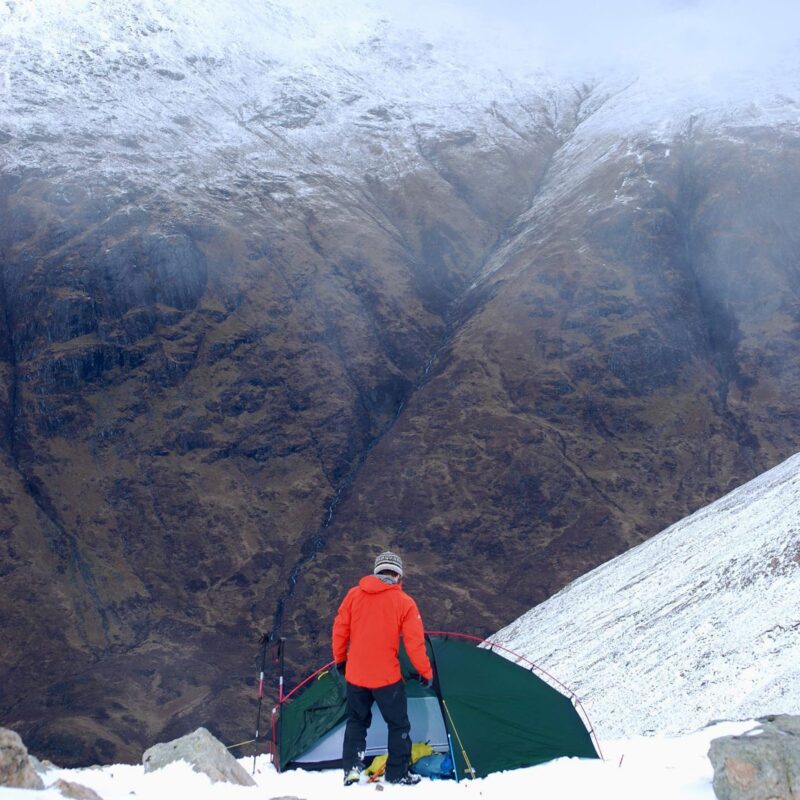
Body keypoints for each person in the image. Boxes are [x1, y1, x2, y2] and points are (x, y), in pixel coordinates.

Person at [332, 550, 434, 786]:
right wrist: (426, 673)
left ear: (376, 572)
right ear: (399, 576)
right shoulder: (404, 603)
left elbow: (340, 630)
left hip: (356, 675)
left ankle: (352, 769)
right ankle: (398, 773)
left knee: (356, 721)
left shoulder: (353, 596)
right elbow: (414, 644)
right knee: (398, 725)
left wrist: (340, 660)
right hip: (387, 678)